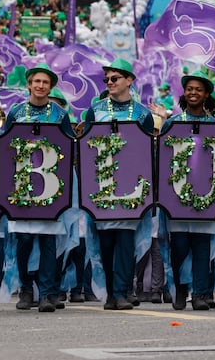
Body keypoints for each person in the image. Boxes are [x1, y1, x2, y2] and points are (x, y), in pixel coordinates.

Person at [3, 63, 74, 313]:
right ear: (29, 84)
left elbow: (70, 146)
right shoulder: (15, 112)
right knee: (23, 240)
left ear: (50, 86)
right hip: (22, 188)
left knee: (47, 242)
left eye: (45, 82)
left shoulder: (59, 115)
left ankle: (46, 293)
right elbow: (5, 144)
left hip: (51, 188)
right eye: (36, 82)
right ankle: (25, 289)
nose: (40, 86)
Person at [85, 58, 154, 310]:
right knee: (105, 243)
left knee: (125, 242)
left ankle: (121, 291)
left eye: (115, 79)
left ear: (129, 81)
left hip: (130, 188)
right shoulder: (96, 110)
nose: (110, 83)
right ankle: (111, 293)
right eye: (107, 80)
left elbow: (147, 151)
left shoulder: (143, 114)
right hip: (102, 186)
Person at [162, 71, 215, 311]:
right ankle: (179, 290)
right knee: (179, 247)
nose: (193, 92)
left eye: (198, 89)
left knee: (202, 247)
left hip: (206, 198)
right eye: (189, 89)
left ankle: (199, 293)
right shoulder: (172, 123)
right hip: (177, 198)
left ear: (206, 94)